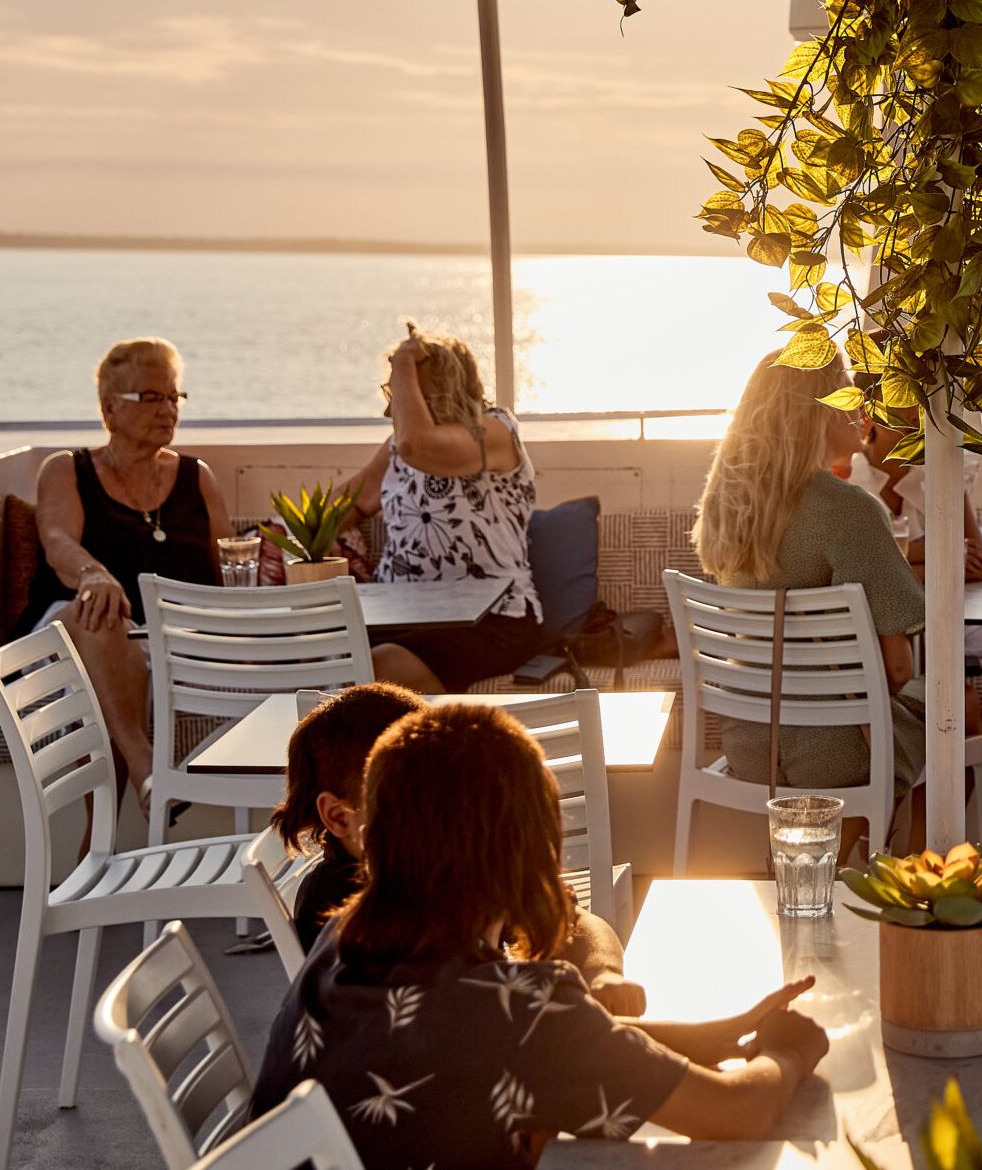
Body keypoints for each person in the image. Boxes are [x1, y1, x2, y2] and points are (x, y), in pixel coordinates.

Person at [254, 704, 829, 1160]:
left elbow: (562, 1044)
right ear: (533, 854)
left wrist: (716, 1035)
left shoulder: (341, 940)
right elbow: (738, 1112)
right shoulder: (523, 1017)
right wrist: (789, 1053)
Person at [271, 682, 644, 1014]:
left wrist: (603, 972)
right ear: (340, 818)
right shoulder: (351, 916)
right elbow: (491, 1024)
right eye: (408, 799)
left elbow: (570, 917)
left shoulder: (450, 868)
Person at [694, 352, 929, 852]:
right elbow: (898, 669)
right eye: (845, 388)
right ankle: (897, 884)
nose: (859, 402)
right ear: (818, 410)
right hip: (836, 752)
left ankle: (814, 870)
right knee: (949, 720)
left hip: (749, 741)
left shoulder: (728, 505)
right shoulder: (851, 512)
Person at [24, 337, 227, 793]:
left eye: (174, 397)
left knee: (114, 667)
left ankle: (98, 847)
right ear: (110, 409)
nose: (168, 409)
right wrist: (93, 575)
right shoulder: (66, 469)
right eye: (151, 397)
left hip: (168, 647)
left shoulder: (198, 478)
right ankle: (148, 769)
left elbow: (226, 575)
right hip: (72, 635)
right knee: (99, 617)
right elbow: (57, 541)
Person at [343, 326, 545, 694]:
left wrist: (404, 360)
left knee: (378, 667)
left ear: (433, 392)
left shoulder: (497, 431)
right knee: (320, 654)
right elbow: (348, 504)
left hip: (493, 620)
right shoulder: (396, 447)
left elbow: (417, 446)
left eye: (399, 395)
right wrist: (279, 536)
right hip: (397, 616)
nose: (390, 408)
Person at [849, 409, 982, 582]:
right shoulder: (846, 478)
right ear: (867, 414)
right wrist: (942, 551)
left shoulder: (945, 474)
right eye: (900, 400)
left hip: (939, 608)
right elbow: (856, 566)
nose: (915, 413)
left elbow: (977, 567)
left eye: (920, 399)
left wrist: (893, 566)